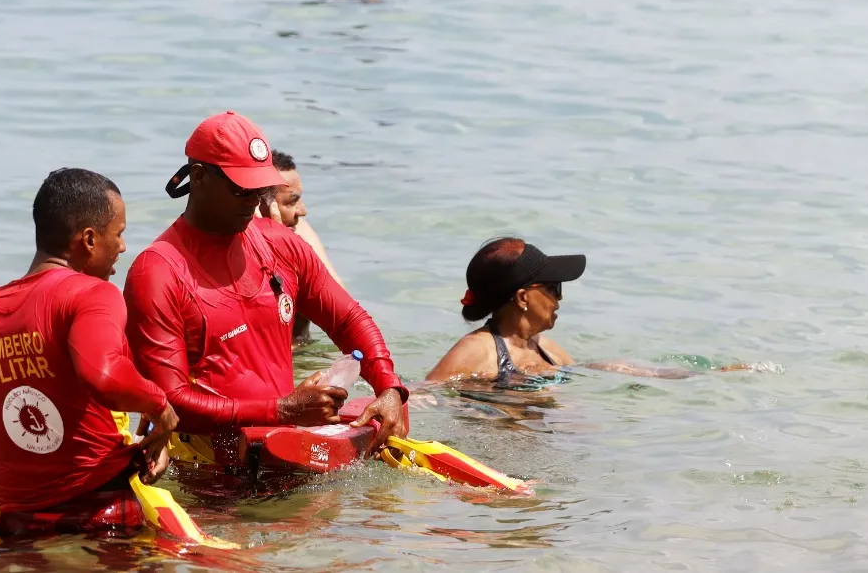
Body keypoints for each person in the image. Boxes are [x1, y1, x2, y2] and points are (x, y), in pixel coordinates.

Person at [123, 112, 409, 464]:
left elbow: (348, 319)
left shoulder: (280, 244)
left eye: (260, 188)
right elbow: (167, 400)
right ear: (198, 177)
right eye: (241, 189)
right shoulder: (157, 272)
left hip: (285, 448)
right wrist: (282, 410)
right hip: (207, 473)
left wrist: (389, 386)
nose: (253, 200)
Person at [0, 169, 179, 536]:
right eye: (119, 234)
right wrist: (160, 406)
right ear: (88, 239)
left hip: (18, 524)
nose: (123, 247)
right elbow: (104, 375)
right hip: (99, 515)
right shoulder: (91, 294)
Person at [425, 237, 701, 386]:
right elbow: (422, 392)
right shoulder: (478, 349)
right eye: (553, 288)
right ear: (522, 297)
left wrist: (677, 374)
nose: (560, 298)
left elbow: (586, 369)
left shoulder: (544, 347)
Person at [261, 150, 340, 343]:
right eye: (292, 201)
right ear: (258, 205)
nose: (302, 211)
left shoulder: (300, 231)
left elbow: (340, 313)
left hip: (303, 354)